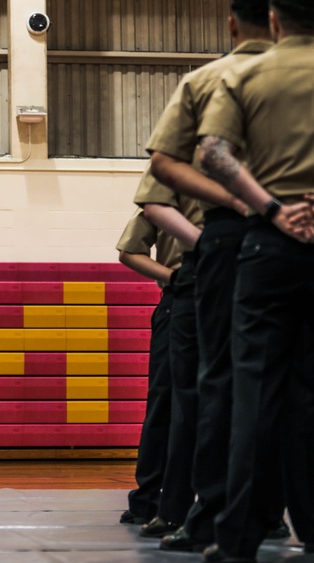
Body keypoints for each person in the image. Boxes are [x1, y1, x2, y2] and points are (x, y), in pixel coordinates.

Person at [145, 0, 281, 554]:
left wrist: (248, 207)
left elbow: (170, 169)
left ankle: (217, 518)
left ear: (233, 23)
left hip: (234, 236)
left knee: (219, 381)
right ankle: (283, 514)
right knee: (292, 385)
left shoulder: (214, 80)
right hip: (290, 233)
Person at [196, 0, 314, 563]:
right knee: (312, 392)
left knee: (254, 390)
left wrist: (271, 208)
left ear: (273, 21)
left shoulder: (244, 74)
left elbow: (212, 153)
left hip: (270, 245)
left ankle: (241, 534)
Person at [117, 166, 201, 530]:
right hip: (182, 295)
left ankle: (257, 504)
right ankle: (148, 498)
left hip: (229, 296)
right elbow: (128, 250)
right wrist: (173, 277)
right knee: (166, 401)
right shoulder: (170, 187)